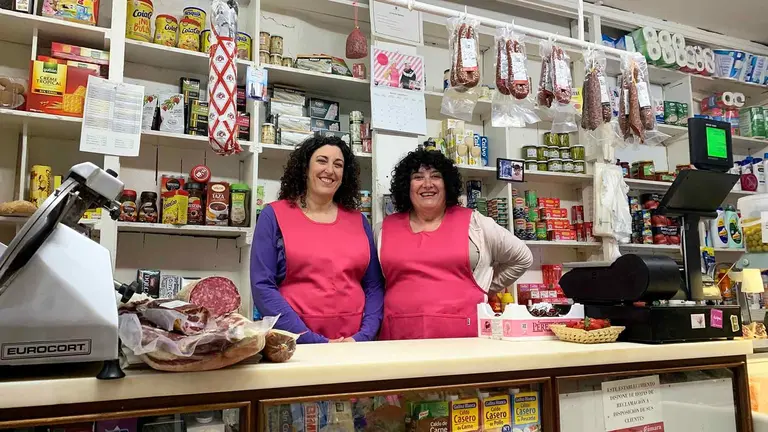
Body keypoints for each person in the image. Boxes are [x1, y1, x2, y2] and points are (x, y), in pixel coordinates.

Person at [377, 149, 533, 340]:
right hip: (398, 339)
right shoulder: (382, 230)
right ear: (406, 185)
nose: (427, 184)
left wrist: (485, 287)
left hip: (464, 339)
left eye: (436, 176)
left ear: (447, 183)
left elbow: (523, 258)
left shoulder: (476, 224)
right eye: (418, 177)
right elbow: (373, 286)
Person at [250, 136, 384, 344]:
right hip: (294, 343)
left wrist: (363, 336)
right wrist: (312, 340)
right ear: (305, 167)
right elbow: (262, 287)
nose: (330, 170)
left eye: (338, 165)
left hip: (354, 344)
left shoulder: (359, 220)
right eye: (322, 161)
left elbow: (374, 285)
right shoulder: (273, 215)